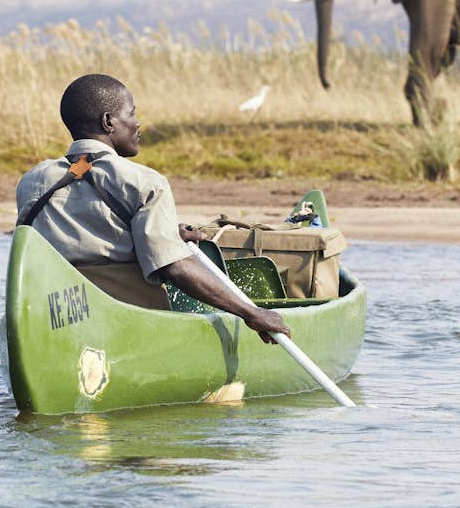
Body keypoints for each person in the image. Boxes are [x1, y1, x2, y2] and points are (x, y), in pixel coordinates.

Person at [16, 73, 290, 343]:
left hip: (57, 323)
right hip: (127, 323)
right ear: (109, 122)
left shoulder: (32, 181)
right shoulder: (145, 182)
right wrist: (251, 313)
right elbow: (175, 267)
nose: (138, 124)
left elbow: (85, 236)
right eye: (131, 113)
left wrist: (169, 235)